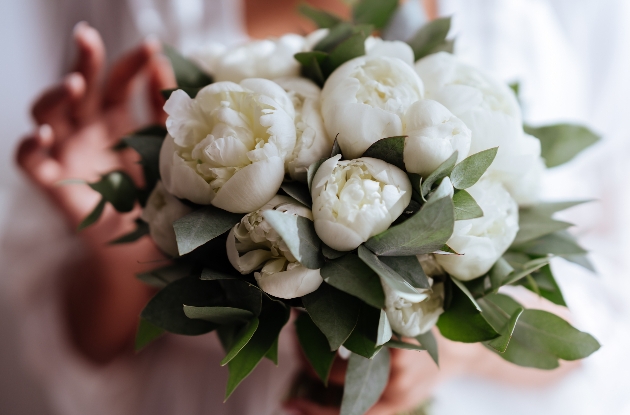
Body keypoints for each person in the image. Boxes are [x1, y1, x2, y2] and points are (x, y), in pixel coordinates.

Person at [7, 0, 629, 414]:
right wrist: (117, 243)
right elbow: (86, 359)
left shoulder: (554, 21)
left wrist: (450, 354)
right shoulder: (148, 16)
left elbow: (610, 318)